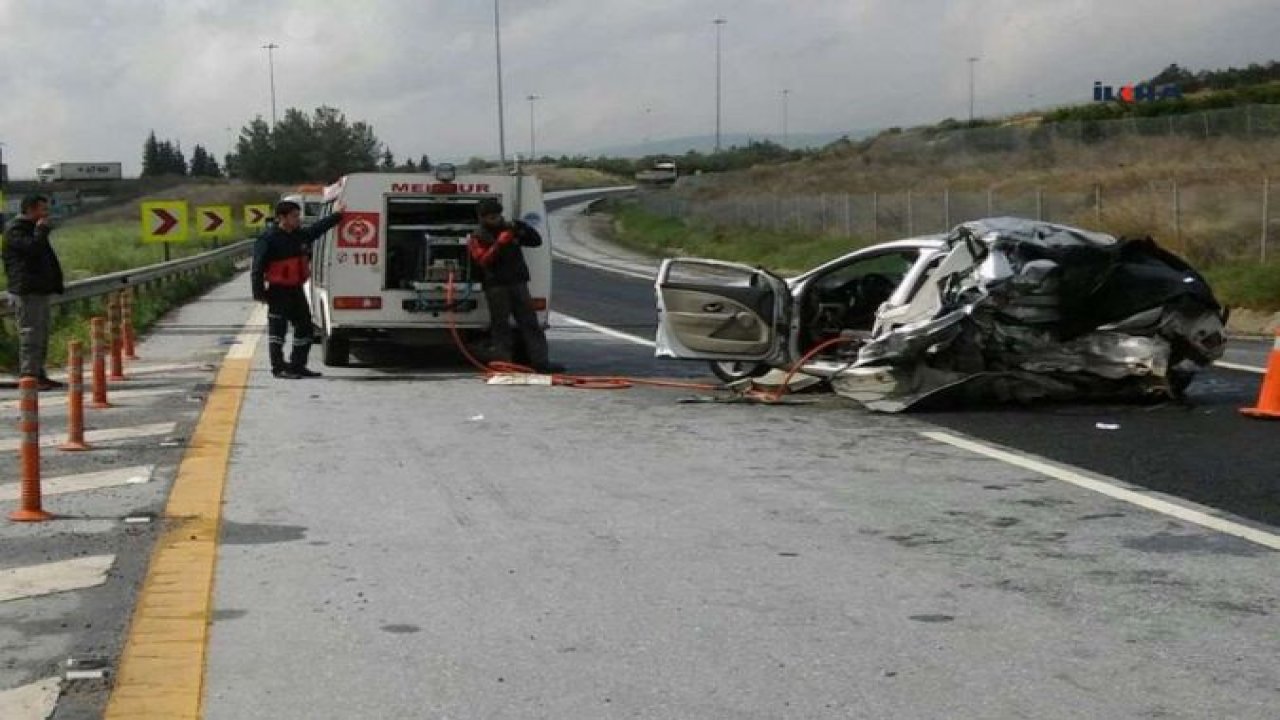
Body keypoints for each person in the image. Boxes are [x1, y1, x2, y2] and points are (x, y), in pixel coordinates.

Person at [467, 198, 563, 374]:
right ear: (482, 218)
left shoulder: (512, 228)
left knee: (530, 323)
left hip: (518, 282)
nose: (494, 220)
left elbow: (536, 241)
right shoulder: (478, 236)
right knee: (501, 326)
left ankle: (541, 362)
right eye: (490, 217)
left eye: (496, 216)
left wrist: (523, 229)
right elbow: (482, 260)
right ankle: (505, 364)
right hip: (496, 286)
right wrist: (499, 244)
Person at [252, 201, 342, 379]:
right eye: (294, 216)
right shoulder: (268, 239)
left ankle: (297, 365)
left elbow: (318, 228)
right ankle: (279, 368)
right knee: (278, 331)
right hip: (278, 291)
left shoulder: (300, 236)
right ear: (282, 218)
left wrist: (338, 215)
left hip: (296, 289)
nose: (298, 219)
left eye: (298, 215)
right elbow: (257, 268)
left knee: (305, 327)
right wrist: (259, 293)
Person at [3, 195, 65, 390]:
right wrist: (41, 230)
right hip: (27, 290)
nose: (45, 214)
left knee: (41, 333)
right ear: (29, 210)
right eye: (41, 209)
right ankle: (29, 375)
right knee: (30, 334)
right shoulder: (16, 230)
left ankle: (39, 373)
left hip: (39, 290)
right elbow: (32, 249)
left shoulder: (32, 230)